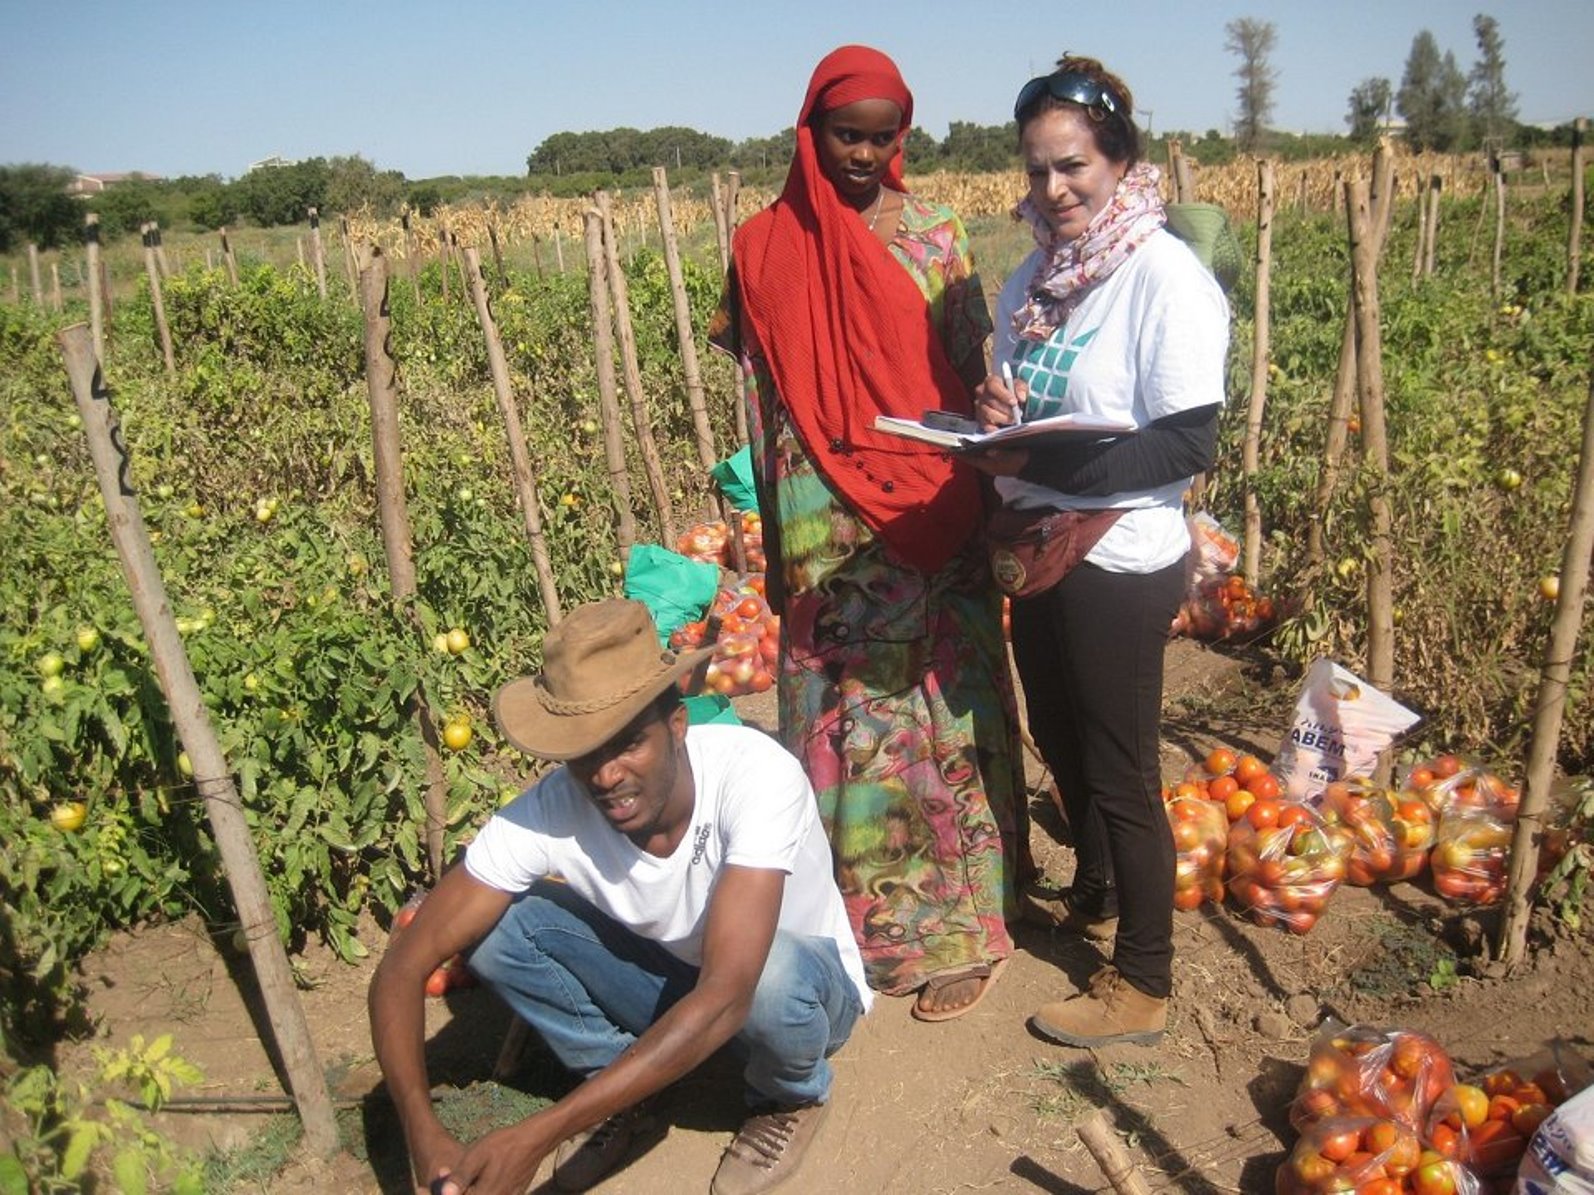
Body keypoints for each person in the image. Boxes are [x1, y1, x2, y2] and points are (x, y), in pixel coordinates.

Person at [709, 44, 1027, 1022]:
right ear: (810, 132)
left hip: (929, 505)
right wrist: (776, 518)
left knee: (933, 718)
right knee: (845, 726)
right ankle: (849, 920)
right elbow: (765, 391)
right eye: (848, 134)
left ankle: (963, 929)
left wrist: (994, 412)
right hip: (824, 532)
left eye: (883, 137)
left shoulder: (931, 230)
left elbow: (970, 353)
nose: (864, 153)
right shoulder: (762, 244)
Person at [368, 599, 869, 1195]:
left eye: (628, 743)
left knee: (766, 979)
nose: (605, 776)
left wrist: (541, 1132)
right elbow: (402, 966)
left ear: (677, 726)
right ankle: (627, 1092)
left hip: (798, 995)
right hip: (684, 985)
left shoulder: (755, 777)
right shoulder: (550, 811)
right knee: (495, 928)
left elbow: (729, 994)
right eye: (585, 755)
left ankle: (788, 1097)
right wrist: (423, 1135)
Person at [970, 55, 1230, 1047]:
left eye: (1072, 165)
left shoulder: (1163, 277)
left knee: (1119, 769)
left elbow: (1185, 440)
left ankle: (1142, 982)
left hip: (1119, 553)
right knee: (1061, 733)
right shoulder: (1031, 282)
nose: (1053, 189)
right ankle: (1096, 888)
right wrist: (1001, 412)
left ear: (1119, 158)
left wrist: (1046, 466)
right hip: (1040, 543)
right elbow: (1020, 393)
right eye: (1036, 169)